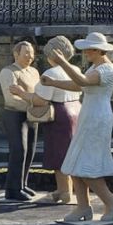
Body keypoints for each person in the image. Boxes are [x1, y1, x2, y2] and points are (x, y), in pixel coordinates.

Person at [43, 32, 113, 222]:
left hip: (98, 118)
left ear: (98, 50)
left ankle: (110, 202)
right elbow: (79, 86)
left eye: (88, 49)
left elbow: (83, 81)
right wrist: (53, 82)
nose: (85, 52)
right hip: (88, 116)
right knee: (76, 164)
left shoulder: (107, 69)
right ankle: (83, 207)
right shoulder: (95, 67)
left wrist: (62, 62)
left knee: (87, 165)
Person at [9, 36, 80, 204]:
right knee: (71, 153)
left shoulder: (51, 73)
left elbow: (41, 100)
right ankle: (67, 189)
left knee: (59, 154)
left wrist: (21, 93)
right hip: (76, 110)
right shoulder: (75, 69)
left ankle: (64, 191)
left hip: (60, 114)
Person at [0, 41, 40, 201]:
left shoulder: (34, 72)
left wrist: (36, 105)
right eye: (26, 53)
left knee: (30, 151)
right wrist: (35, 104)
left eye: (32, 53)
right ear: (16, 54)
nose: (30, 56)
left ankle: (22, 184)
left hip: (32, 116)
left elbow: (38, 93)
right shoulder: (8, 72)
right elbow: (11, 99)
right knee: (19, 151)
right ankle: (13, 189)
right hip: (15, 115)